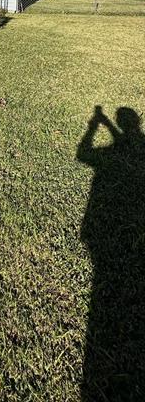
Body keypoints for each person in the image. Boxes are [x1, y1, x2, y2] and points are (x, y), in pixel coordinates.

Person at [77, 106, 145, 401]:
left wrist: (96, 125)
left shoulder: (128, 146)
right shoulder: (139, 145)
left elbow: (84, 154)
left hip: (100, 241)